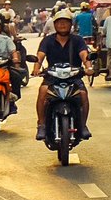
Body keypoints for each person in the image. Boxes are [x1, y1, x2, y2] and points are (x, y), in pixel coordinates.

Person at [33, 9, 92, 141]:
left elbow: (84, 54)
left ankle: (83, 125)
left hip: (74, 77)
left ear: (71, 24)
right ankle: (41, 124)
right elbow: (40, 56)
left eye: (65, 22)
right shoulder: (47, 40)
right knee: (43, 91)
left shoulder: (78, 40)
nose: (62, 25)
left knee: (83, 94)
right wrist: (36, 68)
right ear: (54, 25)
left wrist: (88, 67)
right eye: (59, 23)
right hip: (52, 77)